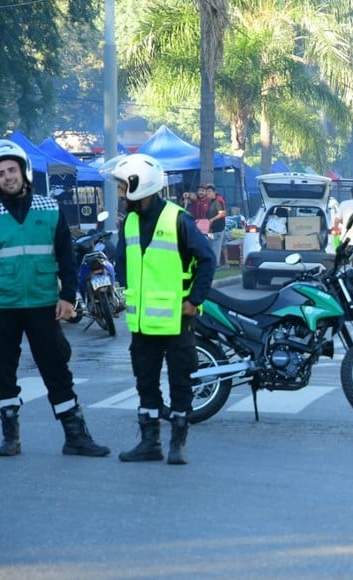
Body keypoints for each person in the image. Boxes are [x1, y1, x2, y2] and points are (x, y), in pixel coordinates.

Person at [0, 140, 110, 458]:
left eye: (12, 169)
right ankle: (10, 435)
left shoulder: (49, 208)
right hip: (0, 306)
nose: (8, 177)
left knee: (56, 369)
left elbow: (66, 257)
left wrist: (68, 296)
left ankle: (75, 435)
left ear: (23, 171)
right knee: (2, 370)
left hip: (43, 303)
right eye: (1, 173)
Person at [112, 153, 216, 465]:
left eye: (121, 186)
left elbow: (207, 259)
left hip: (176, 322)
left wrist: (194, 300)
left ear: (138, 185)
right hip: (142, 324)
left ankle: (177, 445)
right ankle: (150, 443)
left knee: (180, 383)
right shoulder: (129, 222)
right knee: (145, 383)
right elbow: (123, 262)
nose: (119, 192)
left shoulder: (177, 219)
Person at [202, 184, 227, 268]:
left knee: (216, 246)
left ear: (214, 192)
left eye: (209, 192)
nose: (207, 193)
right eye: (207, 192)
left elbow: (222, 213)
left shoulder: (218, 201)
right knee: (212, 244)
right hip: (211, 229)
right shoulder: (211, 201)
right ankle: (220, 263)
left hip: (218, 228)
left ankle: (215, 264)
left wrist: (212, 219)